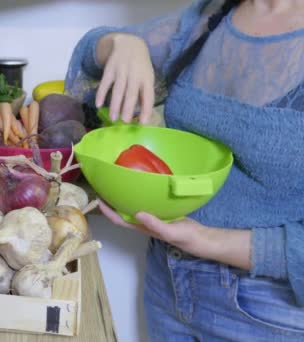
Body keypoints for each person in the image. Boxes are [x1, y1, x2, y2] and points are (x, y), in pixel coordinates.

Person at [65, 0, 304, 340]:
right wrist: (121, 44)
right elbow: (88, 60)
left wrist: (209, 240)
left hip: (268, 314)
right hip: (168, 285)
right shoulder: (211, 16)